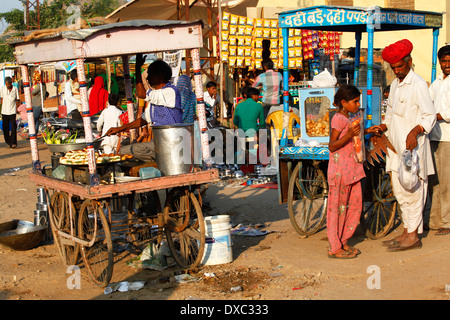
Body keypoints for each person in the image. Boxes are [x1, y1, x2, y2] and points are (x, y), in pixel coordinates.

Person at [378, 39, 436, 251]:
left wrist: (415, 130)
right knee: (400, 192)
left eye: (400, 67)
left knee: (413, 191)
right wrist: (382, 129)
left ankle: (413, 236)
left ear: (409, 62)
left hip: (413, 150)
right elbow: (391, 114)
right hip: (395, 149)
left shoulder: (419, 84)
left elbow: (429, 116)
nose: (397, 71)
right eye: (394, 68)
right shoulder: (394, 85)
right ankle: (406, 231)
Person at [327, 85, 382, 259]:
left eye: (358, 101)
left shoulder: (349, 118)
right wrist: (349, 134)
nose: (358, 104)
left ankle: (343, 241)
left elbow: (353, 136)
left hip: (353, 170)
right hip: (340, 171)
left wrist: (367, 131)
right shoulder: (339, 119)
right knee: (337, 209)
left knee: (354, 206)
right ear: (343, 102)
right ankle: (334, 247)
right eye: (355, 101)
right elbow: (332, 145)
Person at [106, 55, 183, 162]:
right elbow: (143, 120)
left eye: (150, 74)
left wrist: (138, 68)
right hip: (159, 142)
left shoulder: (171, 92)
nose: (147, 78)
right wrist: (119, 129)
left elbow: (141, 93)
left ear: (159, 75)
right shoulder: (155, 98)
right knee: (126, 153)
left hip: (171, 142)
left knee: (124, 151)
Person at [428, 45, 450, 236]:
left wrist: (434, 116)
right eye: (444, 61)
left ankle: (446, 221)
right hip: (433, 135)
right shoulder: (436, 83)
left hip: (447, 138)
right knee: (433, 180)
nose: (447, 65)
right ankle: (434, 219)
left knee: (446, 182)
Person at [1, 77, 20, 148]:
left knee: (13, 127)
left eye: (8, 84)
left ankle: (14, 142)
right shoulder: (3, 89)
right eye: (6, 84)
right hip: (4, 111)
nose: (7, 85)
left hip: (12, 111)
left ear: (11, 83)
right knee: (5, 128)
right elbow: (2, 99)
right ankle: (8, 142)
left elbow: (17, 99)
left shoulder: (15, 89)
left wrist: (18, 109)